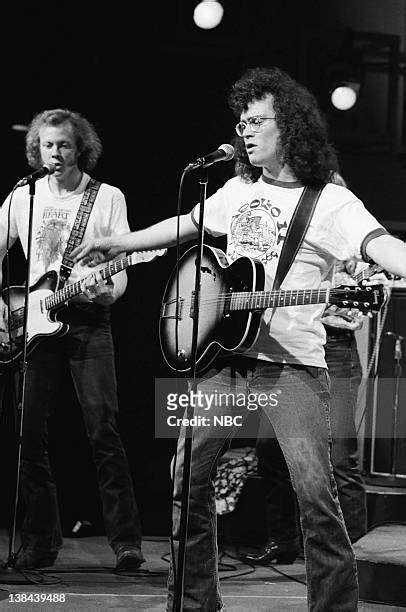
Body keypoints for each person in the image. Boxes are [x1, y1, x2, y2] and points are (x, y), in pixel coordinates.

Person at [72, 66, 406, 611]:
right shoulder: (237, 188)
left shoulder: (332, 204)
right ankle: (195, 602)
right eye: (241, 121)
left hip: (291, 367)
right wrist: (122, 243)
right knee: (188, 479)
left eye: (256, 121)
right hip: (223, 359)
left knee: (316, 496)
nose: (244, 131)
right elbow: (186, 224)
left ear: (290, 127)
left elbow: (380, 245)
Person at [0, 109, 145, 571]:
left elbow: (121, 263)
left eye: (64, 145)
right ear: (36, 151)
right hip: (32, 324)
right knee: (27, 437)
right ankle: (41, 540)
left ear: (80, 147)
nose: (56, 153)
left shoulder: (106, 197)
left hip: (87, 320)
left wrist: (109, 292)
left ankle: (126, 542)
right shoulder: (24, 195)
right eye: (48, 145)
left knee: (104, 430)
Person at [244, 258, 368, 567]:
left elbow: (372, 287)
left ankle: (353, 557)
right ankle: (283, 540)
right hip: (290, 349)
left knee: (339, 456)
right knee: (269, 448)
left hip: (334, 348)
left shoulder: (343, 232)